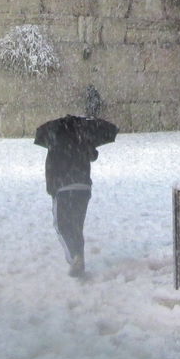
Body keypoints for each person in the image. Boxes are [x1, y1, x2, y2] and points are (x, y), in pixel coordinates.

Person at [34, 112, 118, 277]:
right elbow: (93, 155)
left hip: (63, 188)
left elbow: (50, 169)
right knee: (76, 226)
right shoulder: (82, 137)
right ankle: (79, 257)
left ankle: (74, 257)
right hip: (83, 187)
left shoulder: (55, 139)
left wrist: (52, 190)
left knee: (62, 226)